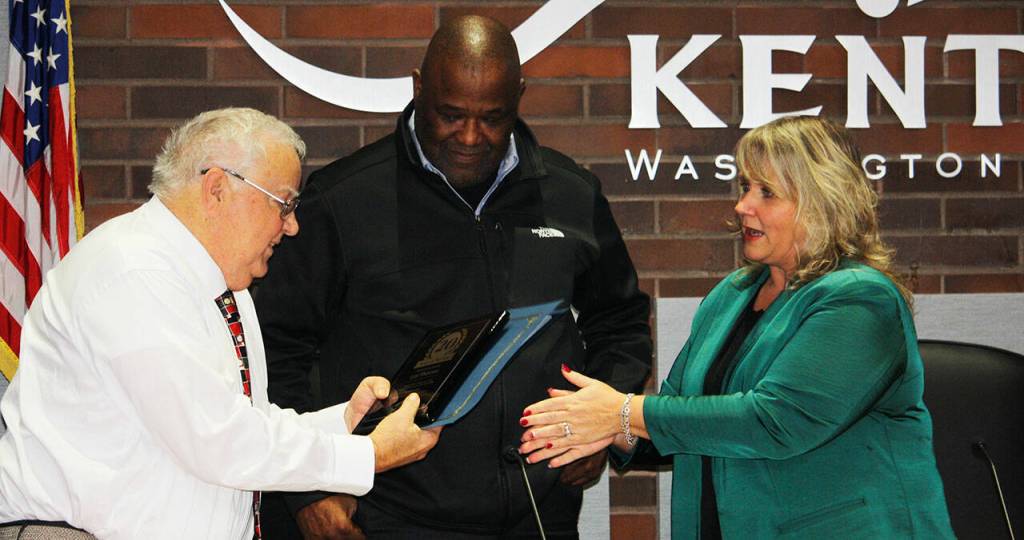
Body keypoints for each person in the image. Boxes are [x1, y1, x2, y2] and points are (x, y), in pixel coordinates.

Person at [254, 15, 652, 539]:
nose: (469, 136)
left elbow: (619, 323)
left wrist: (601, 425)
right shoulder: (343, 201)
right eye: (449, 114)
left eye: (492, 117)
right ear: (418, 89)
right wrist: (309, 487)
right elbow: (275, 352)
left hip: (539, 514)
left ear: (520, 97)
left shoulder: (569, 193)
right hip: (389, 514)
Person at [0, 108, 439, 540]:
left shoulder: (220, 285)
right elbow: (218, 441)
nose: (292, 226)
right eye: (284, 203)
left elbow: (246, 422)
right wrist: (368, 455)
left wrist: (344, 421)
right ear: (216, 189)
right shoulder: (132, 272)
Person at [519, 117, 955, 539]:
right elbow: (682, 414)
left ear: (822, 203)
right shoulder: (733, 294)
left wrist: (624, 411)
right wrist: (611, 427)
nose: (742, 205)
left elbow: (776, 420)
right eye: (746, 186)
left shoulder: (861, 299)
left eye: (767, 192)